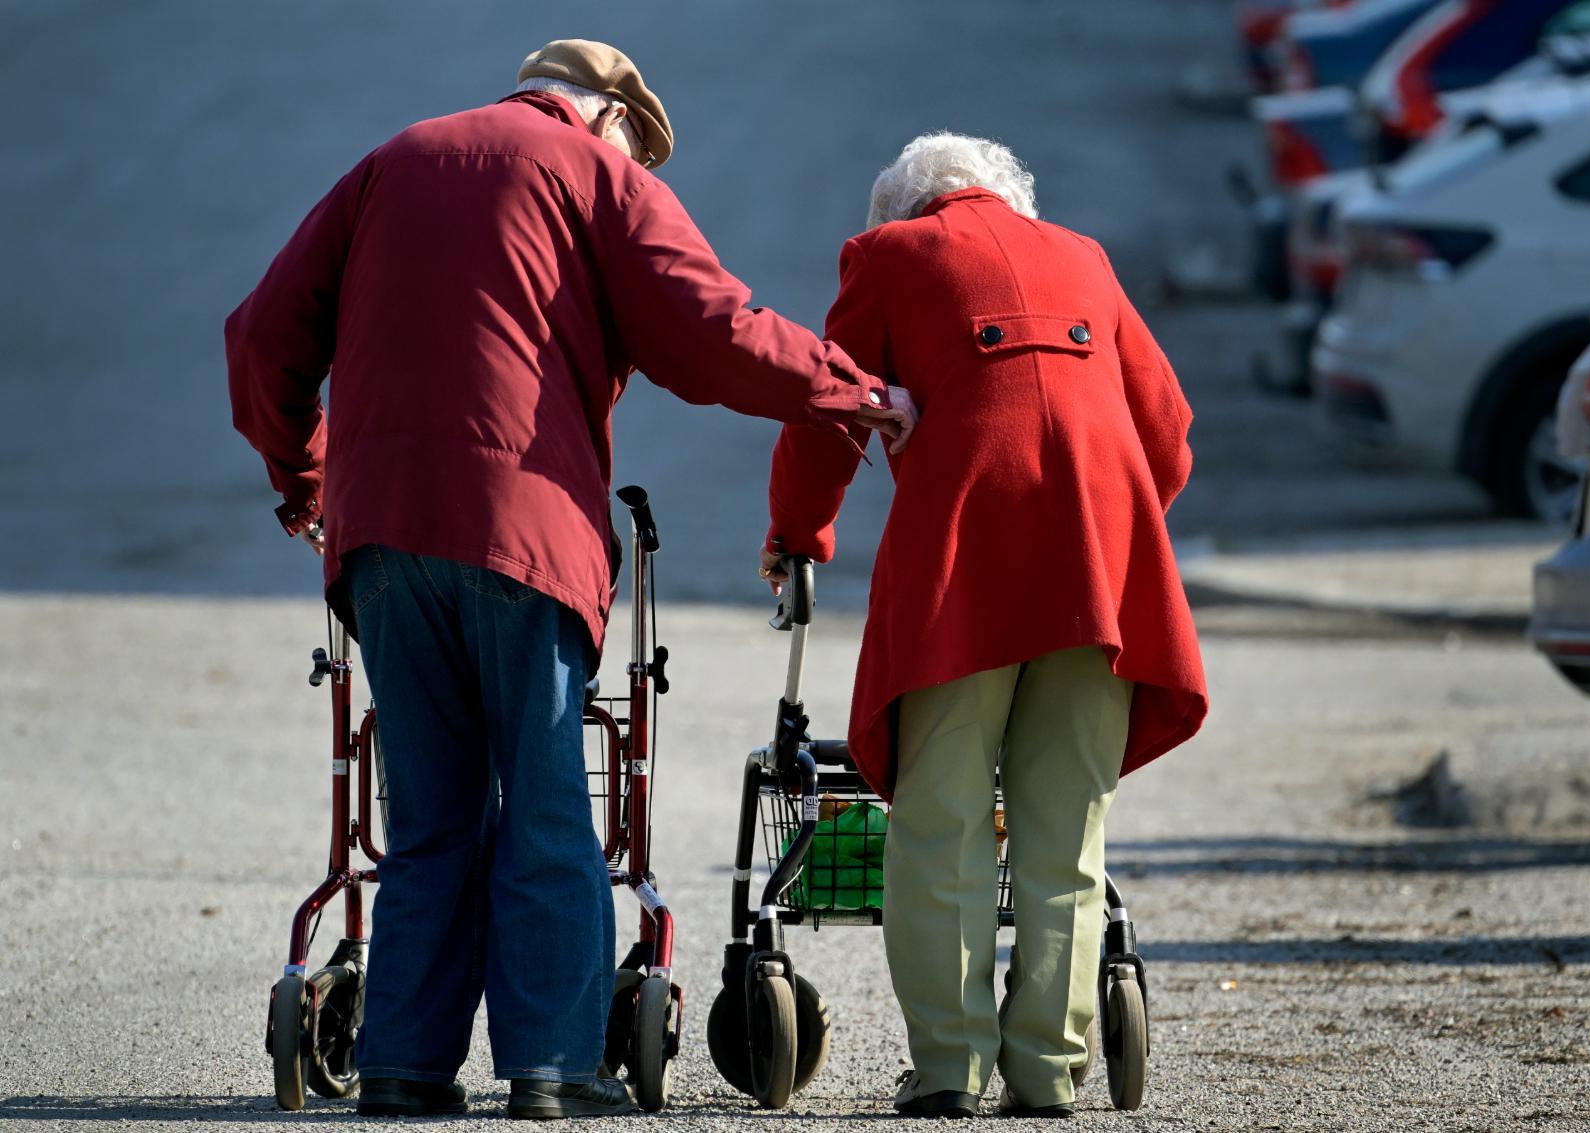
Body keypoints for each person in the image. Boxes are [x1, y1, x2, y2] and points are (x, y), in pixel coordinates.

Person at [226, 40, 914, 1121]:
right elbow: (710, 328)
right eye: (639, 153)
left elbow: (262, 334)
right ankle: (550, 1063)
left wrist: (303, 475)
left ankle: (403, 1065)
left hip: (380, 541)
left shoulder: (393, 159)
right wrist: (850, 389)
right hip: (521, 530)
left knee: (429, 810)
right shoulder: (596, 175)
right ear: (607, 122)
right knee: (549, 799)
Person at [761, 132, 1208, 1119]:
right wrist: (1113, 531)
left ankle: (949, 1069)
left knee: (943, 819)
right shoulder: (1082, 256)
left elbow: (828, 410)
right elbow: (1166, 430)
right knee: (1065, 829)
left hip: (963, 571)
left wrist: (797, 537)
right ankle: (1047, 1071)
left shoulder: (884, 258)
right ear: (1010, 197)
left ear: (903, 209)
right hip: (1097, 576)